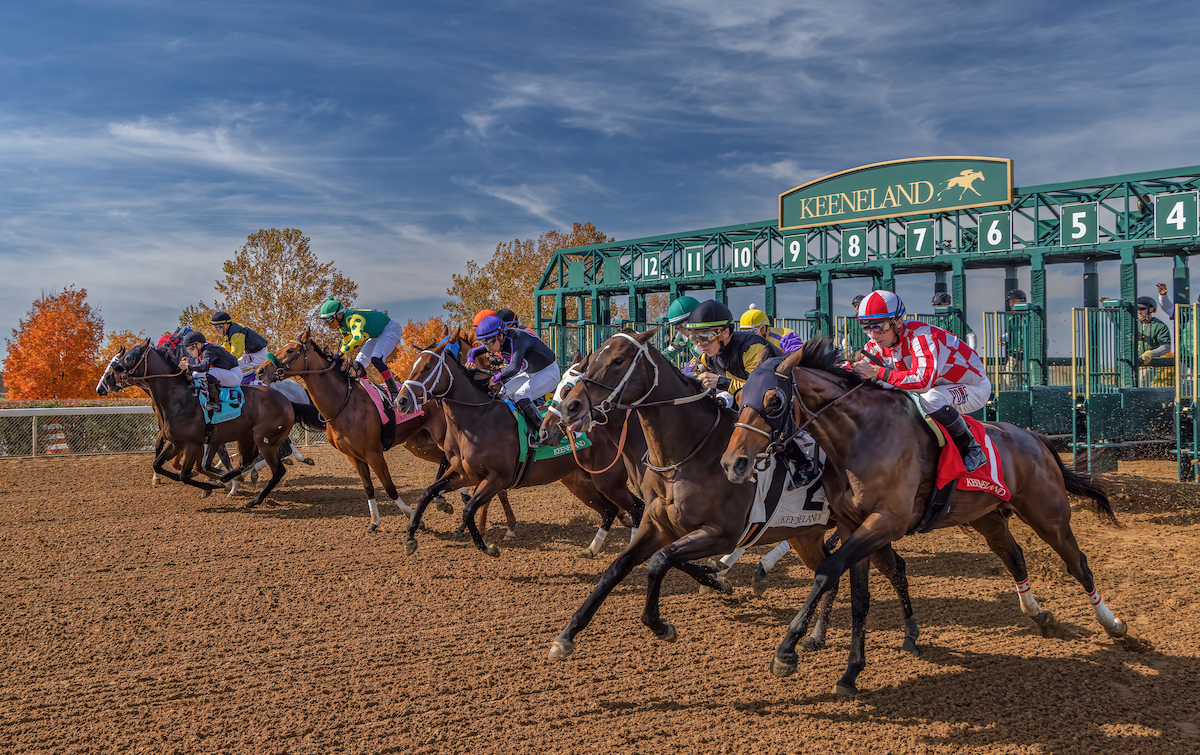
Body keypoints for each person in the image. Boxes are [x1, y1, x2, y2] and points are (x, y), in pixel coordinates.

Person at [851, 290, 991, 472]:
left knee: (931, 399)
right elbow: (863, 374)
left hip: (973, 387)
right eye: (867, 327)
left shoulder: (923, 337)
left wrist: (879, 372)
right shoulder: (876, 344)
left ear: (898, 321)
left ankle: (971, 448)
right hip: (938, 386)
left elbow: (921, 381)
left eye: (881, 326)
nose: (873, 334)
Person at [476, 314, 561, 447]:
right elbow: (472, 352)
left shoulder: (518, 340)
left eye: (490, 342)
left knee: (521, 396)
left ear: (501, 335)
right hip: (530, 373)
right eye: (484, 343)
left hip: (549, 372)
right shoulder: (498, 340)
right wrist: (470, 360)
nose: (488, 347)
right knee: (502, 393)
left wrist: (495, 378)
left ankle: (542, 432)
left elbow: (514, 369)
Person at [683, 300, 782, 394]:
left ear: (725, 333)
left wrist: (722, 383)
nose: (699, 344)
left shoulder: (752, 349)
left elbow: (759, 390)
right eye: (695, 338)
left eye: (706, 337)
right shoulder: (707, 356)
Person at [318, 298, 405, 399]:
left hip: (390, 329)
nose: (327, 325)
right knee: (357, 365)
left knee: (376, 359)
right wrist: (337, 356)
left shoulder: (353, 319)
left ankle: (395, 392)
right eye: (324, 321)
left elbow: (358, 339)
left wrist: (340, 354)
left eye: (329, 320)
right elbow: (347, 343)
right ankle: (370, 392)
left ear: (339, 315)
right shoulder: (343, 326)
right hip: (376, 335)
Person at [176, 331, 242, 412]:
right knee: (195, 374)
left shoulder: (209, 350)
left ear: (199, 345)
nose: (189, 351)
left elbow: (204, 367)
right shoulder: (204, 350)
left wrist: (187, 366)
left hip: (234, 375)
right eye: (187, 349)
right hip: (227, 374)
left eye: (190, 348)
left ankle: (215, 403)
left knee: (209, 372)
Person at [209, 311, 270, 381]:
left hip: (259, 354)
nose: (216, 330)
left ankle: (236, 384)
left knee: (234, 365)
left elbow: (235, 353)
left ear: (225, 325)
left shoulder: (236, 333)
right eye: (214, 327)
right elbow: (226, 349)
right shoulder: (228, 331)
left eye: (217, 326)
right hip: (251, 352)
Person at [739, 305, 803, 353]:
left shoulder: (785, 337)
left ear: (763, 328)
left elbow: (798, 355)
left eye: (752, 332)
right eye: (744, 333)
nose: (748, 337)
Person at [1135, 296, 1172, 365]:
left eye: (1142, 309)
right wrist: (1109, 310)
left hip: (1150, 365)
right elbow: (1118, 322)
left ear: (1151, 309)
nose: (1139, 312)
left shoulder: (1160, 326)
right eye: (1137, 309)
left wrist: (1151, 353)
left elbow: (1166, 346)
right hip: (1131, 364)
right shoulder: (1132, 323)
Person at [662, 295, 700, 359]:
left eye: (682, 326)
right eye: (678, 327)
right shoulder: (682, 335)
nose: (682, 332)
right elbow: (670, 352)